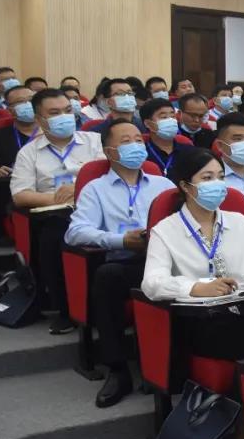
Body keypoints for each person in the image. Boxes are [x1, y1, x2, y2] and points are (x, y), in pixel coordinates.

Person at [64, 120, 174, 407]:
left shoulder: (164, 185)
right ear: (110, 152)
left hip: (166, 260)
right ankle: (118, 369)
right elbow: (75, 232)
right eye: (126, 141)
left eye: (138, 139)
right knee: (107, 275)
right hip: (127, 263)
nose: (136, 145)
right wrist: (120, 240)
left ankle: (170, 368)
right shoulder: (96, 189)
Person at [141, 149, 244, 363]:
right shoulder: (165, 230)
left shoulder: (241, 222)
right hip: (201, 318)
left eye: (221, 177)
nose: (217, 184)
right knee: (238, 332)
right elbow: (151, 283)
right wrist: (194, 288)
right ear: (185, 186)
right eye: (207, 178)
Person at [12, 88, 106, 333]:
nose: (64, 117)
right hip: (55, 212)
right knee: (55, 233)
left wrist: (79, 188)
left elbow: (110, 176)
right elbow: (20, 195)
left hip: (99, 207)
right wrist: (56, 198)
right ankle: (67, 310)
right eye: (54, 113)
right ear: (39, 119)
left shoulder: (95, 142)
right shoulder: (29, 152)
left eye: (67, 110)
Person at [0, 86, 37, 235]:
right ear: (10, 110)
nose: (27, 105)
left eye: (31, 100)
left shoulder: (52, 134)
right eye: (20, 102)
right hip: (13, 191)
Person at [139, 98, 183, 177]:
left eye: (173, 116)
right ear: (148, 123)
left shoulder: (187, 150)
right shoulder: (141, 154)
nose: (170, 120)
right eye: (164, 117)